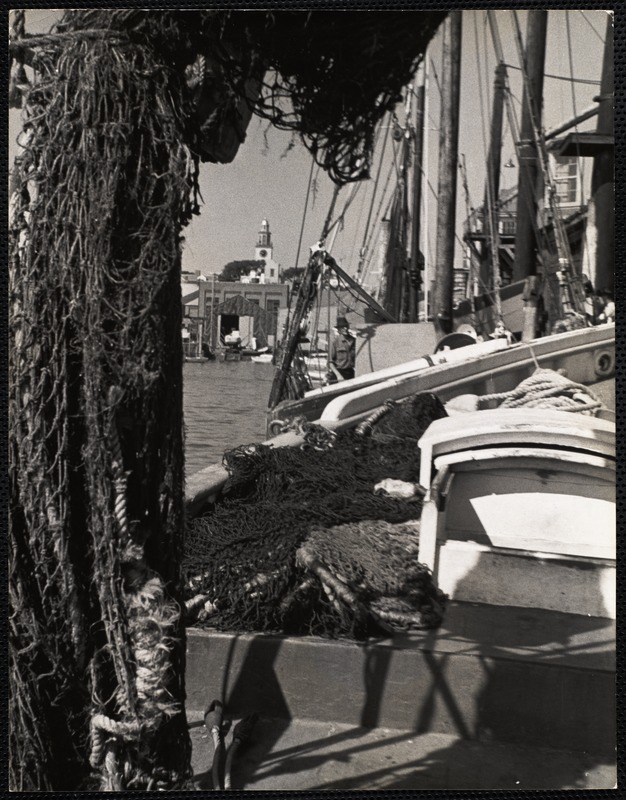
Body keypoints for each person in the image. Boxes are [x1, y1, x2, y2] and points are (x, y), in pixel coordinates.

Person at [329, 316, 356, 381]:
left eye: (346, 326)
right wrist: (338, 376)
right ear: (339, 330)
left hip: (350, 372)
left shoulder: (354, 341)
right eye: (342, 327)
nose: (345, 329)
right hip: (339, 373)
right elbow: (330, 363)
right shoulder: (335, 342)